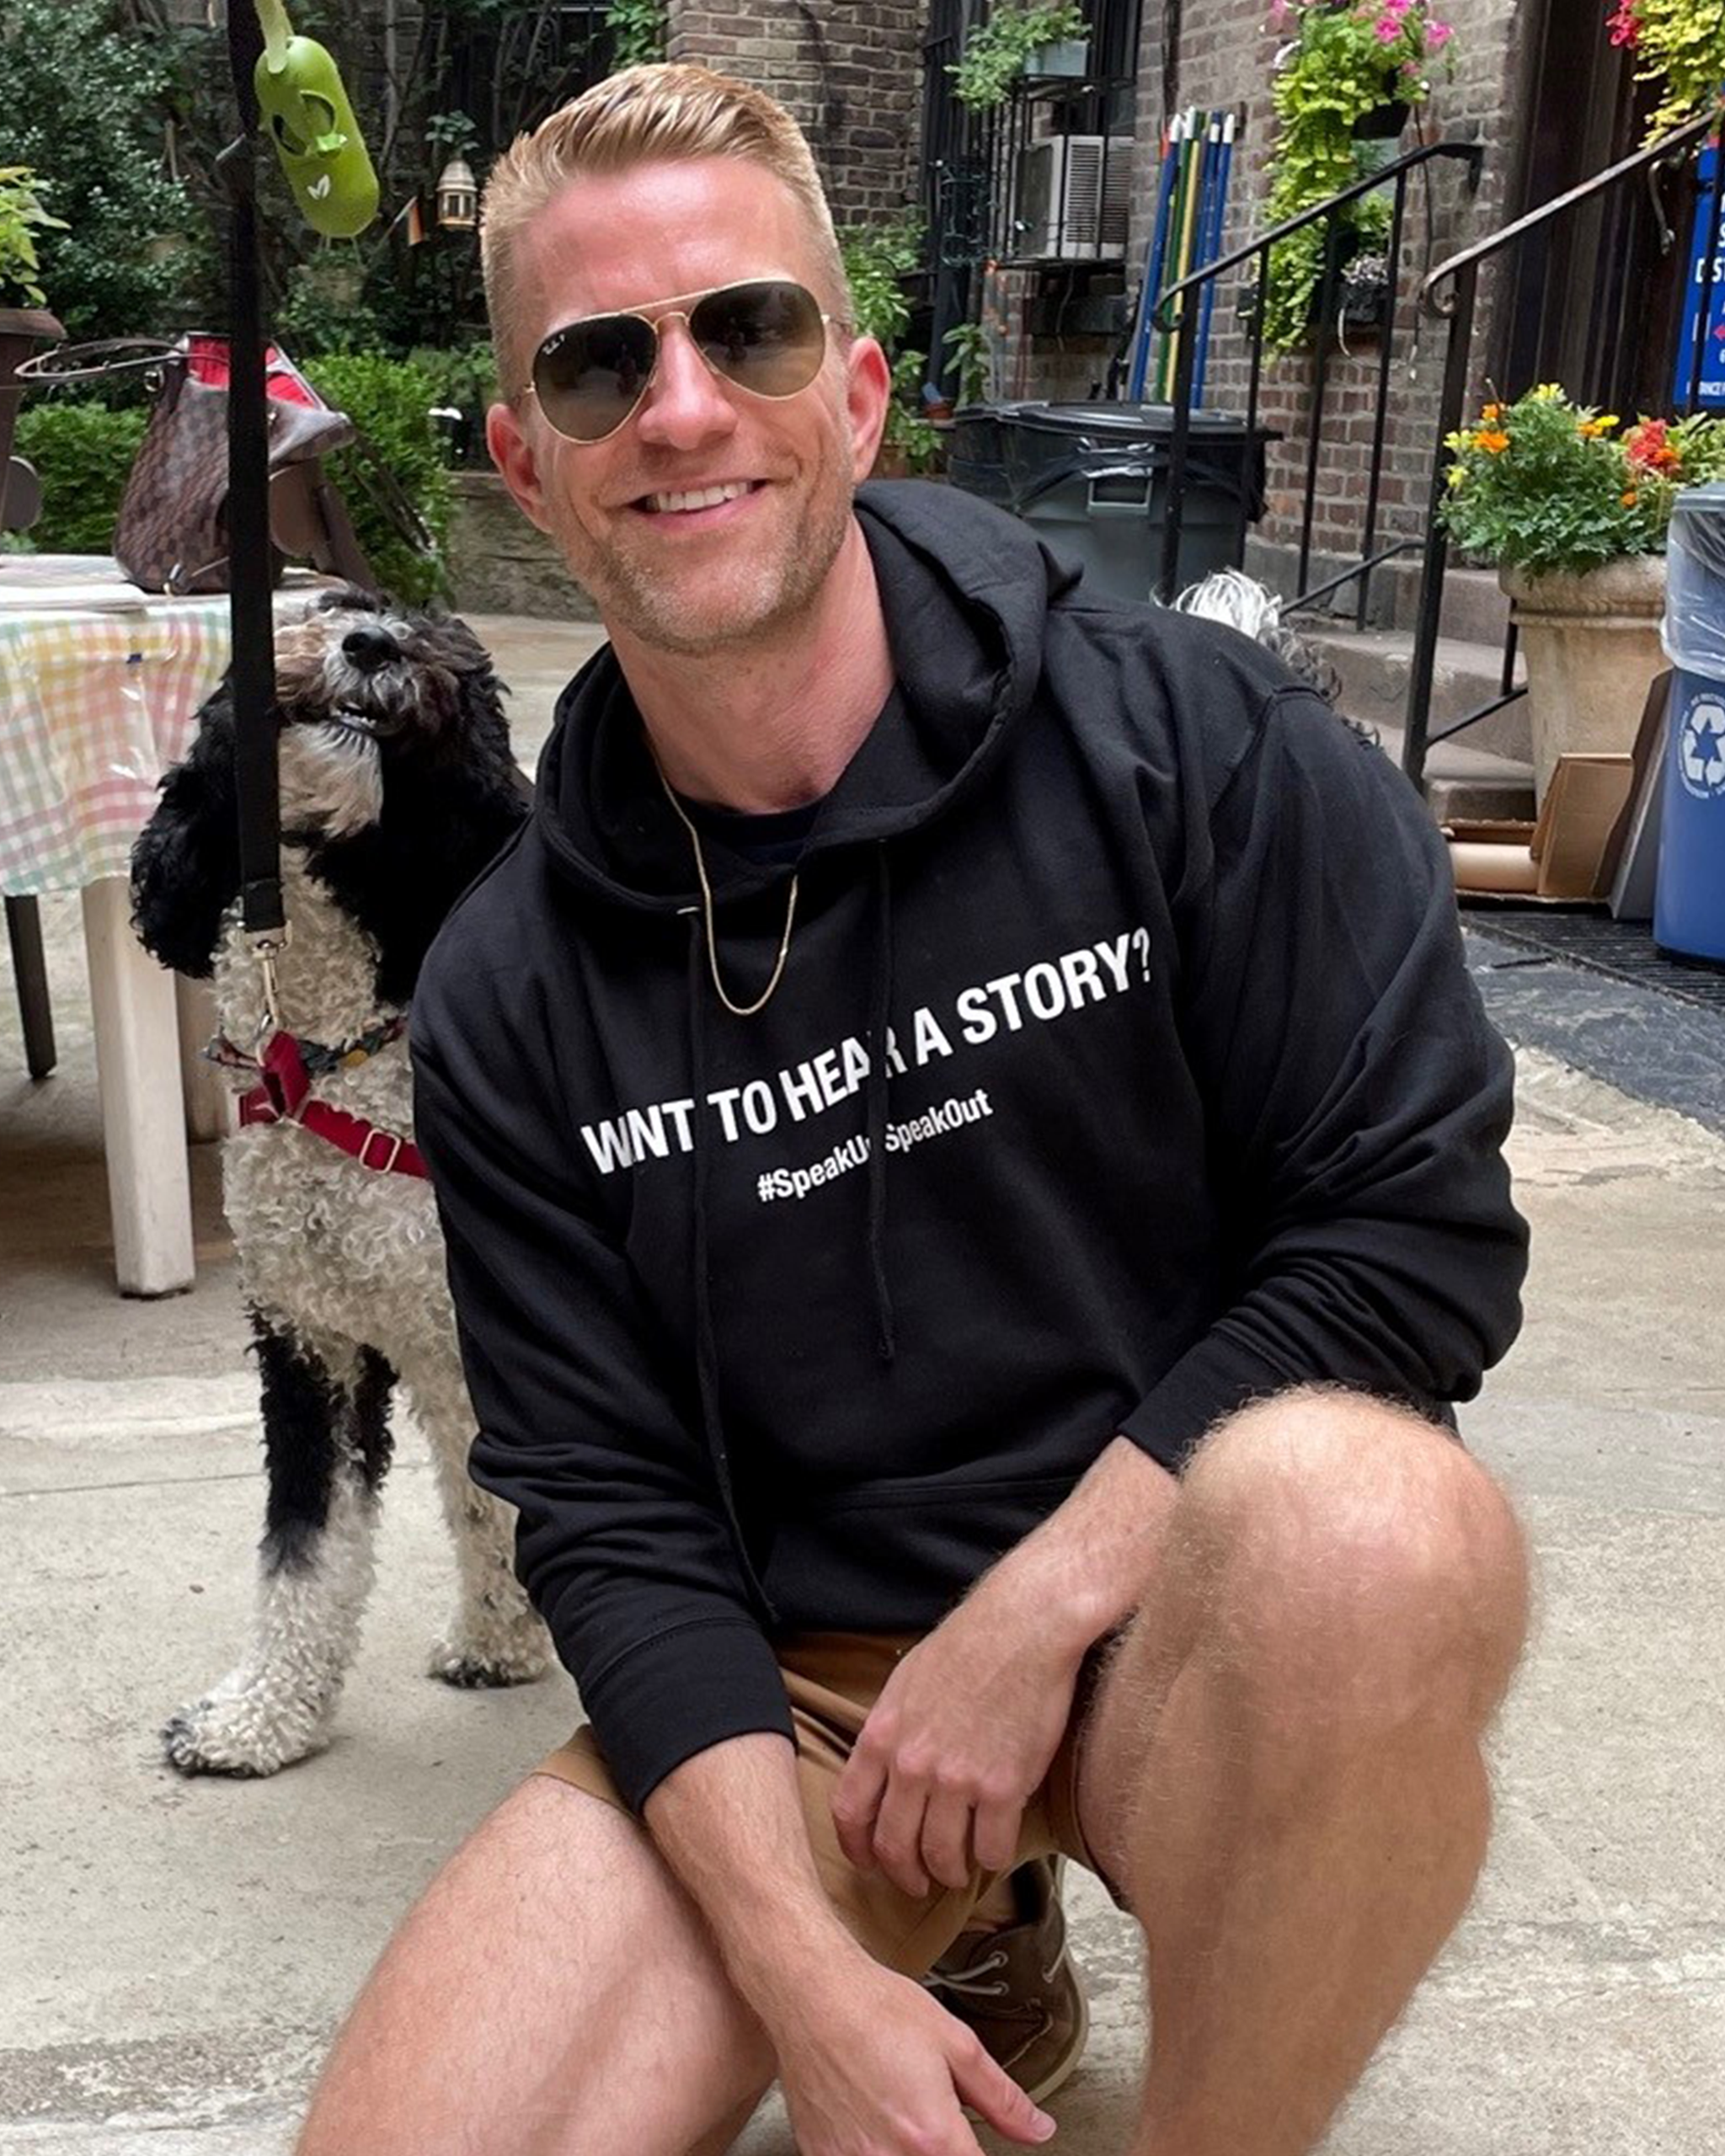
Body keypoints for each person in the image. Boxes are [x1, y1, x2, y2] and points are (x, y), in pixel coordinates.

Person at [296, 61, 1531, 2156]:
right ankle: (952, 1936)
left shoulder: (1192, 745)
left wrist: (1041, 1604)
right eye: (599, 367)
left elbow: (1411, 1235)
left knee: (1369, 1521)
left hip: (1173, 1610)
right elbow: (606, 1510)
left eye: (746, 330)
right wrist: (803, 1975)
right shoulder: (505, 991)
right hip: (811, 1684)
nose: (680, 407)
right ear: (524, 458)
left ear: (859, 392)